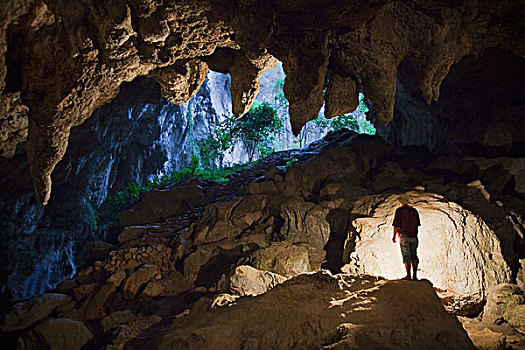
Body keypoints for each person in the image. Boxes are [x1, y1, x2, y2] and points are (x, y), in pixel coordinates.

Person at [392, 194, 421, 280]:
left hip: (404, 235)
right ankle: (415, 276)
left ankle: (408, 275)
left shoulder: (399, 211)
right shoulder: (414, 211)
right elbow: (417, 224)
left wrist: (394, 236)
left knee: (406, 256)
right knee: (414, 255)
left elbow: (396, 225)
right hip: (414, 235)